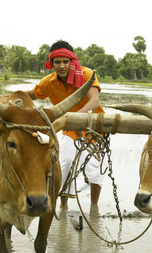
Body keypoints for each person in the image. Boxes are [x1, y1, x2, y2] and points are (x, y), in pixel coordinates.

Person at [25, 40, 105, 211]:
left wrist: (75, 117)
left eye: (65, 62)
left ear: (72, 61)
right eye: (57, 62)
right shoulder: (48, 82)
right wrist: (6, 97)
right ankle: (63, 206)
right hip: (69, 128)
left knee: (94, 169)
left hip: (93, 126)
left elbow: (94, 101)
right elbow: (32, 94)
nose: (62, 66)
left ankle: (94, 207)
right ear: (51, 64)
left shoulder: (86, 74)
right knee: (65, 161)